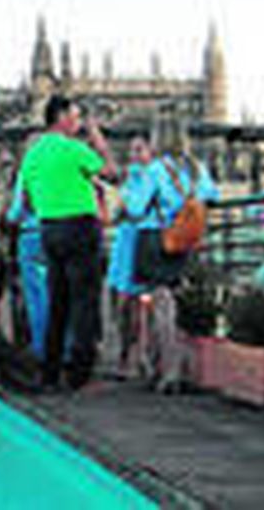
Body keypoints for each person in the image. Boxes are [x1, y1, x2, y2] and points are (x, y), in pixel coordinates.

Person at [20, 95, 119, 390]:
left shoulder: (33, 154)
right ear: (61, 117)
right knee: (85, 303)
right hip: (79, 227)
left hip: (48, 229)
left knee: (58, 303)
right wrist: (97, 138)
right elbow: (112, 173)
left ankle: (50, 373)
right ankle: (79, 376)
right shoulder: (74, 149)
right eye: (75, 117)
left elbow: (25, 199)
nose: (78, 123)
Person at [138, 129, 220, 392]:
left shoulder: (155, 170)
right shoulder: (198, 169)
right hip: (185, 240)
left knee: (161, 304)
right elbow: (213, 196)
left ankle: (168, 370)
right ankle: (157, 364)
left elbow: (136, 207)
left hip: (156, 238)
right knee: (172, 300)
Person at [106, 137, 156, 377]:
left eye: (139, 150)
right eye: (131, 150)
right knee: (122, 303)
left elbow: (135, 210)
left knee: (141, 304)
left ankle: (140, 357)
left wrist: (126, 209)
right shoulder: (130, 178)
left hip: (143, 243)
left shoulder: (152, 177)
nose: (134, 155)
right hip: (125, 243)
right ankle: (127, 355)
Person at [6, 150, 48, 356]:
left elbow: (15, 212)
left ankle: (41, 347)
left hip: (31, 235)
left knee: (36, 295)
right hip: (57, 232)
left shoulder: (26, 174)